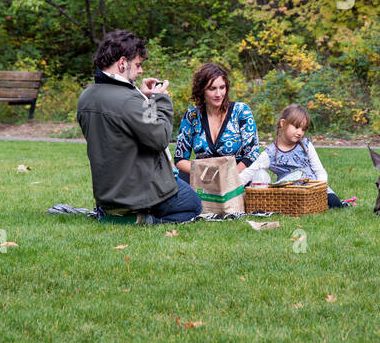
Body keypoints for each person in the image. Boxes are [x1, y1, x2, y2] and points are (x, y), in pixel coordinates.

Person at [77, 29, 202, 225]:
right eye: (138, 64)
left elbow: (124, 132)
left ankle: (114, 214)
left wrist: (144, 99)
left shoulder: (86, 97)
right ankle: (140, 220)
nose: (141, 70)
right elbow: (159, 138)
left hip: (106, 193)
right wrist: (160, 100)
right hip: (138, 193)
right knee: (192, 203)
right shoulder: (128, 100)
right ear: (122, 63)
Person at [244, 103, 354, 208]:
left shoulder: (305, 146)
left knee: (334, 203)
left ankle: (340, 203)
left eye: (303, 129)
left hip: (313, 189)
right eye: (296, 127)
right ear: (283, 124)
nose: (299, 132)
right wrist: (233, 185)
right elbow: (251, 171)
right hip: (291, 193)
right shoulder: (270, 153)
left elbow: (319, 170)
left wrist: (320, 188)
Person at [174, 62, 261, 179]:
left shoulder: (241, 111)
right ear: (201, 90)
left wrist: (227, 176)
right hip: (203, 178)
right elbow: (180, 159)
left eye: (222, 87)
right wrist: (208, 174)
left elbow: (252, 153)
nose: (218, 94)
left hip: (237, 177)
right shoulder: (192, 115)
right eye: (212, 89)